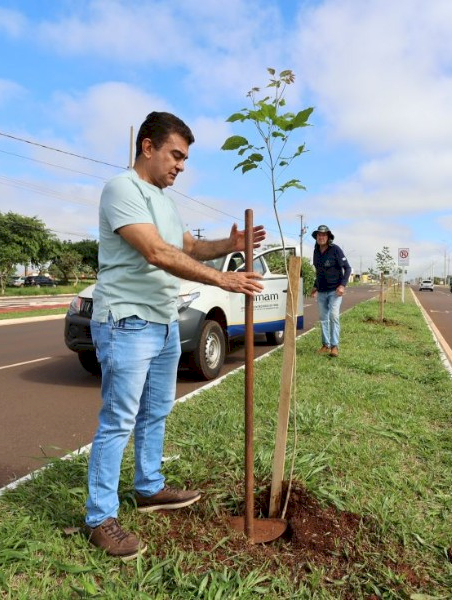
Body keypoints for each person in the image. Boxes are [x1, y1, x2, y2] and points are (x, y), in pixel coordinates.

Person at [85, 111, 266, 559]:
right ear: (148, 147)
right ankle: (99, 518)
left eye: (185, 159)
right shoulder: (122, 189)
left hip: (163, 320)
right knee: (119, 420)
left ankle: (148, 487)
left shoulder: (164, 199)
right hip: (127, 320)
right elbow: (155, 251)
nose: (181, 166)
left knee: (156, 410)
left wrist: (228, 246)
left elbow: (188, 246)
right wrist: (222, 280)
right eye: (176, 155)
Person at [309, 224, 352, 357]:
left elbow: (348, 268)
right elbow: (319, 272)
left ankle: (334, 346)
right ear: (316, 237)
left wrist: (342, 285)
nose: (321, 237)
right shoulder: (316, 251)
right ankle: (325, 345)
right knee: (323, 319)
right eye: (319, 235)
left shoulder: (335, 250)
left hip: (335, 291)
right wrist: (315, 286)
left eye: (323, 235)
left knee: (333, 316)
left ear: (328, 237)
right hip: (322, 291)